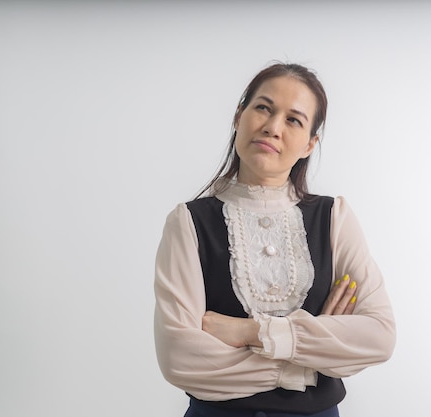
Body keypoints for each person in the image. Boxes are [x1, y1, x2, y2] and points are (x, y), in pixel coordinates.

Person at [154, 62, 395, 417]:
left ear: (311, 143)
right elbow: (179, 357)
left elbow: (379, 336)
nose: (272, 127)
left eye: (294, 120)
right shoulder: (188, 222)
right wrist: (310, 360)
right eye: (263, 108)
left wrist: (250, 332)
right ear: (239, 116)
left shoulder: (334, 219)